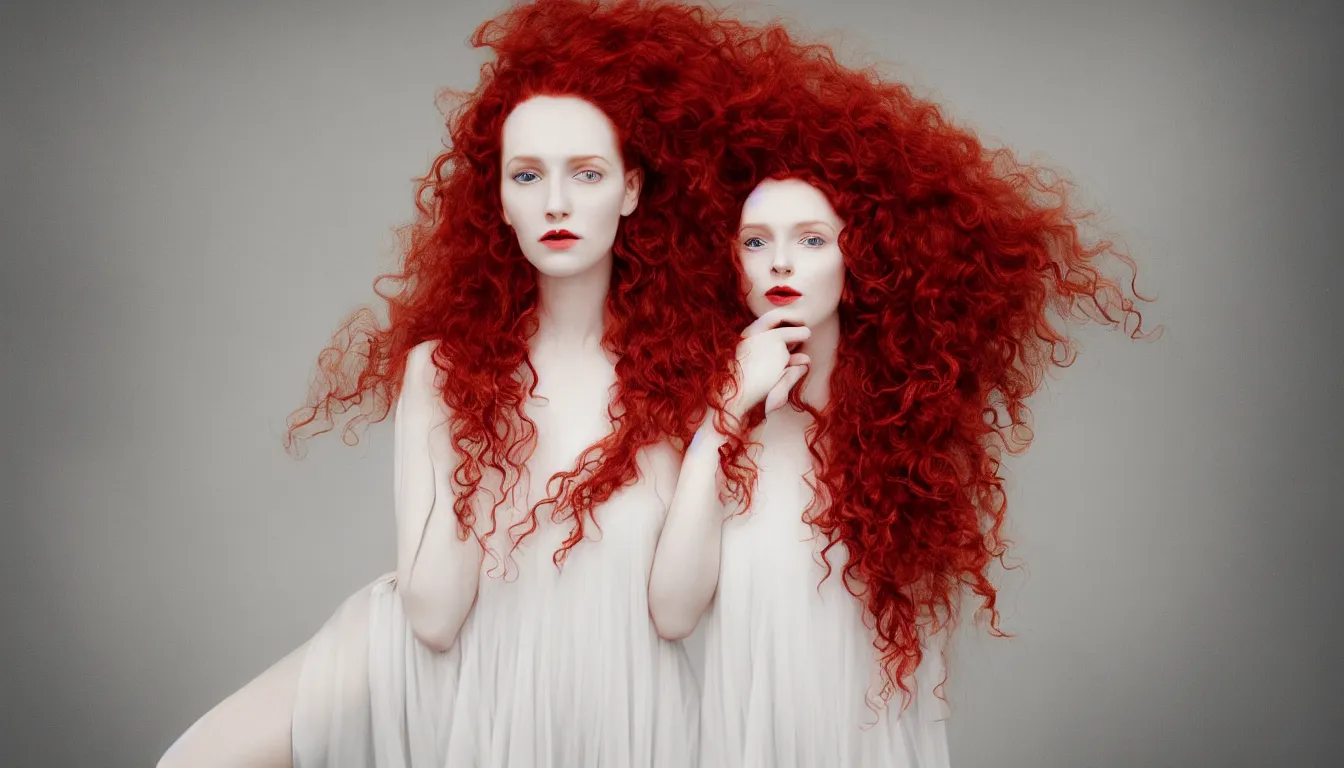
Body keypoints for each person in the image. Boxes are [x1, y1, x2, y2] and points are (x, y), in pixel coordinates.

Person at [157, 1, 760, 765]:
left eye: (587, 173)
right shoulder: (442, 372)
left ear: (632, 191)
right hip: (448, 677)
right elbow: (436, 617)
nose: (557, 203)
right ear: (500, 202)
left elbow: (676, 614)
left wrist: (726, 418)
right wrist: (487, 432)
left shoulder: (687, 379)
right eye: (528, 175)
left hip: (624, 705)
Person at [648, 21, 1158, 767]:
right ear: (728, 261)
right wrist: (727, 412)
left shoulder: (903, 441)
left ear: (867, 255)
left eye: (812, 239)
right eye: (756, 241)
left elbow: (902, 688)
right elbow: (671, 613)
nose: (780, 260)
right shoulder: (709, 432)